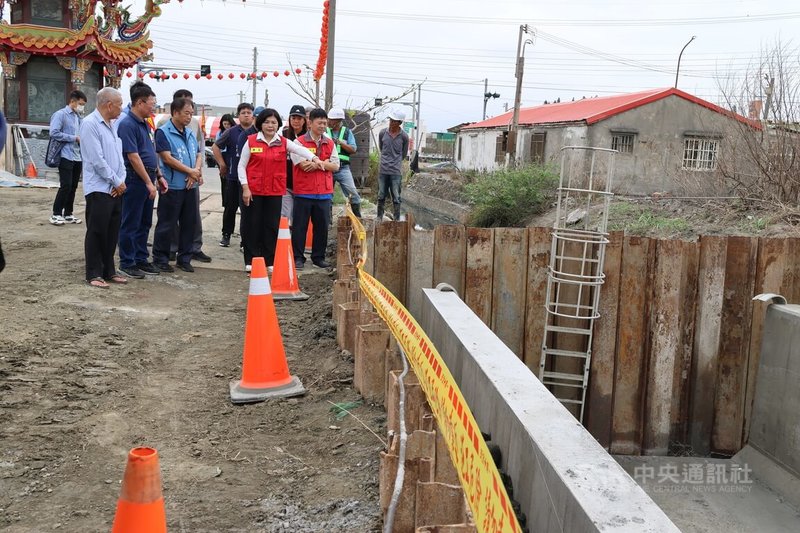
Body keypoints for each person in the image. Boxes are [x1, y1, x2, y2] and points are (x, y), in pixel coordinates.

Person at [238, 108, 320, 272]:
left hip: (274, 191)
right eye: (267, 122)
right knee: (252, 225)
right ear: (261, 124)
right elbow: (241, 165)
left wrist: (314, 157)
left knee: (271, 226)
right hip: (253, 191)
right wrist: (245, 188)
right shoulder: (252, 141)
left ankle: (269, 260)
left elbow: (300, 149)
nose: (270, 125)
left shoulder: (283, 142)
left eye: (274, 122)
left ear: (278, 125)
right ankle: (251, 260)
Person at [116, 82, 168, 279]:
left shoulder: (146, 124)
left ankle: (140, 258)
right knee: (131, 221)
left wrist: (159, 176)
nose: (153, 108)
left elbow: (150, 153)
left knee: (145, 222)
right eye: (151, 104)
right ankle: (127, 262)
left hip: (148, 176)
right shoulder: (127, 124)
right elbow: (133, 156)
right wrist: (148, 182)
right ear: (139, 103)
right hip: (135, 178)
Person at [79, 88, 128, 288]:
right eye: (119, 104)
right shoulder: (90, 124)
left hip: (116, 187)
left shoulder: (113, 125)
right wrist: (116, 181)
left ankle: (109, 271)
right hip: (99, 188)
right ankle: (93, 273)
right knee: (97, 231)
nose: (121, 108)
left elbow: (119, 157)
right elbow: (97, 160)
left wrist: (121, 181)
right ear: (109, 105)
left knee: (112, 231)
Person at [157, 89, 210, 263]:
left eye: (191, 113)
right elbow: (166, 158)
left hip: (190, 184)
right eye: (186, 113)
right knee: (167, 224)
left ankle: (185, 258)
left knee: (189, 223)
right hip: (172, 185)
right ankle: (162, 258)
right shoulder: (163, 130)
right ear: (175, 112)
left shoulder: (190, 130)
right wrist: (190, 172)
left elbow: (198, 153)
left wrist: (195, 172)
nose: (189, 117)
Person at [290, 108, 339, 270]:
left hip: (324, 193)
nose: (323, 126)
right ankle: (298, 257)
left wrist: (320, 164)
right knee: (299, 227)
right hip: (304, 192)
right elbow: (302, 165)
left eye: (325, 123)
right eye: (320, 123)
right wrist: (324, 163)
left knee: (322, 227)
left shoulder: (329, 143)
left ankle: (318, 257)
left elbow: (336, 166)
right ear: (310, 123)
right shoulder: (298, 143)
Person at [212, 103, 254, 247]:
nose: (246, 115)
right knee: (230, 208)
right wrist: (222, 164)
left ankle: (246, 240)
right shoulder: (231, 132)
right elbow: (215, 147)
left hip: (251, 180)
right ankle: (226, 235)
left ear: (253, 115)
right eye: (243, 112)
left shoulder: (257, 132)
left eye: (249, 112)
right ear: (238, 115)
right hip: (233, 177)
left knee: (247, 211)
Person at [49, 90, 87, 226]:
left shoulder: (79, 117)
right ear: (73, 101)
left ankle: (68, 213)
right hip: (65, 154)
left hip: (78, 156)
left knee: (74, 186)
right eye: (81, 104)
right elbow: (54, 133)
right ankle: (56, 213)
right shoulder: (61, 115)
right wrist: (73, 138)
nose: (82, 107)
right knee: (66, 185)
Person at [326, 108, 362, 218]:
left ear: (338, 120)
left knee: (353, 194)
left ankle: (358, 218)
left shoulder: (347, 132)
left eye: (331, 120)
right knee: (327, 196)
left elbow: (353, 149)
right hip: (328, 168)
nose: (329, 122)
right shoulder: (324, 131)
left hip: (343, 168)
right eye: (329, 119)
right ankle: (328, 221)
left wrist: (341, 143)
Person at [377, 110, 410, 221]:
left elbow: (404, 154)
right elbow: (382, 148)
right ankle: (379, 217)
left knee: (396, 197)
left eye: (394, 121)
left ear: (399, 123)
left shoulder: (404, 136)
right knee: (381, 195)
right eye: (390, 120)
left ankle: (396, 220)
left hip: (396, 171)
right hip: (383, 170)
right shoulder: (382, 133)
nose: (391, 122)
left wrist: (395, 162)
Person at [281, 104, 308, 224]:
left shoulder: (308, 136)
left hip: (303, 184)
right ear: (289, 119)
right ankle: (283, 241)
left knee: (298, 217)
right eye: (293, 118)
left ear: (304, 120)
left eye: (299, 118)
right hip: (286, 182)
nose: (296, 121)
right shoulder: (284, 133)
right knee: (285, 215)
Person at [215, 113, 235, 200]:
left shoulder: (234, 132)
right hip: (222, 157)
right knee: (224, 181)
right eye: (225, 124)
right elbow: (216, 147)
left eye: (228, 124)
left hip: (231, 157)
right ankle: (225, 201)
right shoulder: (219, 133)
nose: (227, 126)